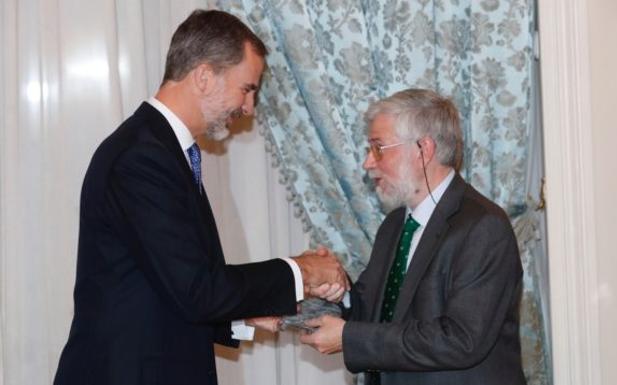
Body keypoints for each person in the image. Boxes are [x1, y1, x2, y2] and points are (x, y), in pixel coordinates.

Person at [53, 10, 348, 385]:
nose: (248, 109)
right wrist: (301, 270)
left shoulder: (162, 149)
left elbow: (171, 284)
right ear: (205, 76)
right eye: (247, 89)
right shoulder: (143, 157)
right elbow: (198, 289)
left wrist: (247, 314)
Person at [300, 89, 526, 385]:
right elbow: (375, 314)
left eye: (379, 148)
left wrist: (349, 338)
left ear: (424, 150)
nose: (368, 162)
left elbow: (461, 340)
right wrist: (338, 289)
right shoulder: (395, 224)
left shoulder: (483, 226)